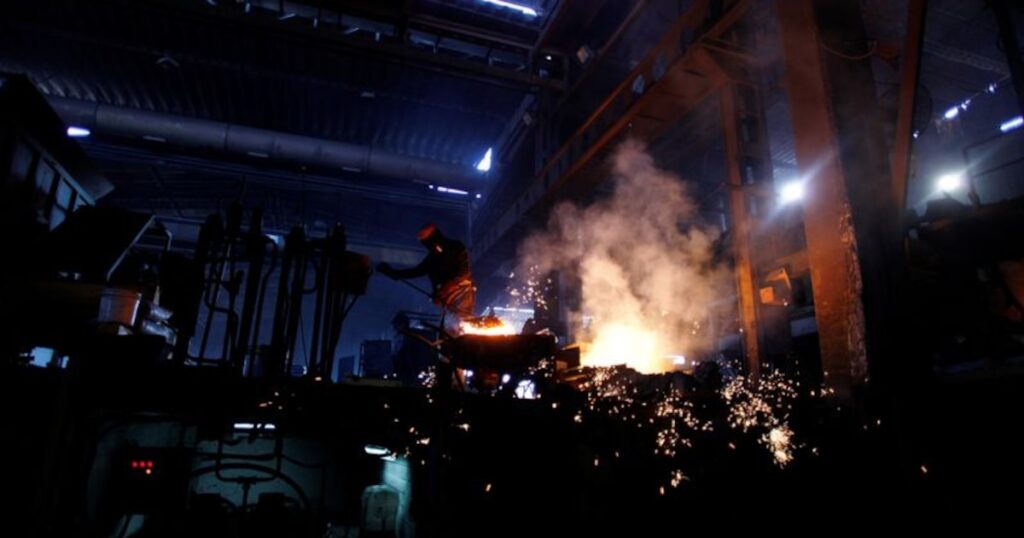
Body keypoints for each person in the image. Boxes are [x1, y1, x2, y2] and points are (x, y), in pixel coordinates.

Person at [377, 223, 476, 330]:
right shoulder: (432, 259)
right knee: (451, 328)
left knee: (462, 323)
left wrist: (449, 286)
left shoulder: (456, 247)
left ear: (435, 236)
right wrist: (392, 273)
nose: (427, 245)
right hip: (447, 299)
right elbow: (415, 272)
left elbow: (464, 272)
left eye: (427, 240)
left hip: (461, 292)